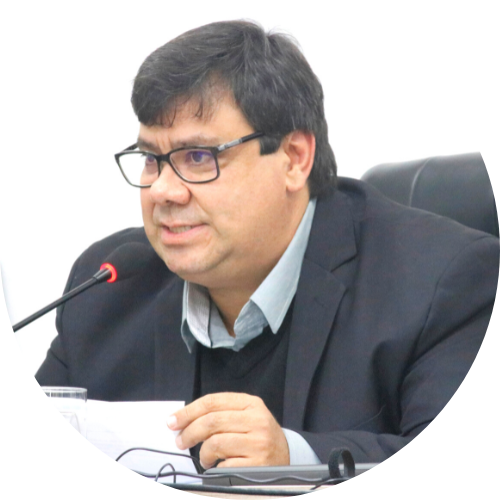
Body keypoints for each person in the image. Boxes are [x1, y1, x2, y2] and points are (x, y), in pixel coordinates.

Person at [35, 20, 500, 469]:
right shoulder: (109, 286)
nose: (162, 191)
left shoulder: (442, 283)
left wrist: (296, 459)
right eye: (151, 159)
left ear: (294, 159)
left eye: (198, 157)